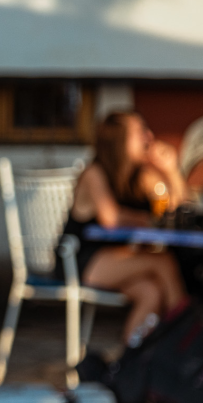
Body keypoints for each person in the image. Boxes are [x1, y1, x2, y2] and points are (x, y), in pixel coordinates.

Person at [63, 112, 189, 344]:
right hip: (84, 263)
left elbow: (179, 210)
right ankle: (186, 335)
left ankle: (130, 361)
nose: (149, 137)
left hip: (119, 261)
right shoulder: (95, 173)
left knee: (151, 292)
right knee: (163, 261)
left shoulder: (140, 177)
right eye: (141, 131)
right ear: (119, 140)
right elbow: (112, 218)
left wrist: (172, 171)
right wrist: (148, 220)